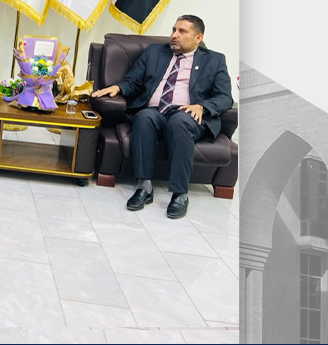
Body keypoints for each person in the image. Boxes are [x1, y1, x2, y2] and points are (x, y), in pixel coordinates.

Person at [91, 15, 232, 219]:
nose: (174, 35)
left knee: (179, 122)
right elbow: (134, 81)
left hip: (188, 113)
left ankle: (180, 194)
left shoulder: (214, 60)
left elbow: (224, 97)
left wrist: (202, 107)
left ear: (198, 38)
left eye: (182, 31)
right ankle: (144, 187)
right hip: (156, 110)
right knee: (144, 118)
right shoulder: (155, 52)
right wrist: (118, 87)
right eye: (174, 29)